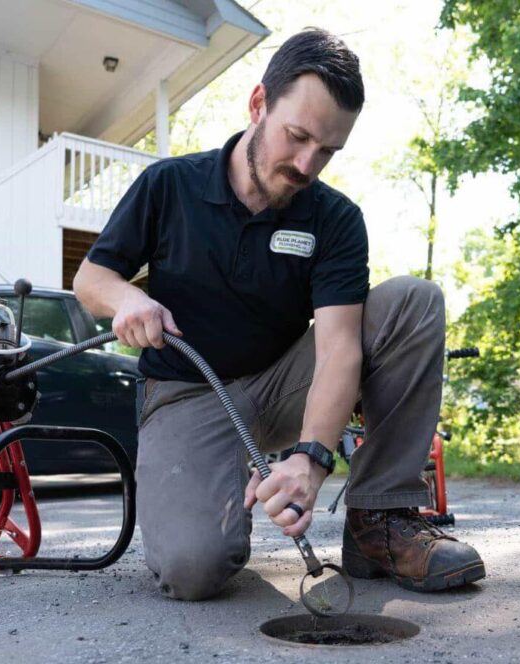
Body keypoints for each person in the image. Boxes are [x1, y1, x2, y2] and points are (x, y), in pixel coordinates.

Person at [73, 28, 485, 601]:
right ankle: (212, 496)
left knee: (413, 301)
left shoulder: (335, 219)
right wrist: (127, 298)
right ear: (258, 103)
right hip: (188, 392)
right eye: (297, 137)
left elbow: (339, 347)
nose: (306, 163)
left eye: (327, 150)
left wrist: (312, 459)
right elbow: (90, 280)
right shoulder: (169, 186)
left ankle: (379, 523)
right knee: (194, 570)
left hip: (287, 381)